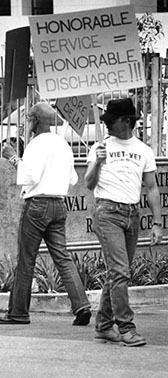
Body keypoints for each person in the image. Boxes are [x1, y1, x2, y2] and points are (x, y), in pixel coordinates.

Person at [0, 102, 91, 326]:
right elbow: (73, 179)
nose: (27, 121)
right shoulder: (63, 144)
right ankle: (82, 306)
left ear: (34, 120)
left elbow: (30, 176)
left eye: (29, 118)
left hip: (38, 205)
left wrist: (13, 157)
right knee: (62, 257)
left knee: (26, 259)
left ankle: (19, 312)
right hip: (58, 205)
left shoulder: (36, 144)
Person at [85, 98, 163, 347]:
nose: (107, 125)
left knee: (116, 273)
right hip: (107, 211)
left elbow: (151, 187)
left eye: (112, 121)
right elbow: (88, 183)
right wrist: (96, 161)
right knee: (120, 271)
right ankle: (126, 327)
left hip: (131, 214)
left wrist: (157, 222)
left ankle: (104, 326)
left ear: (127, 121)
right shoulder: (100, 147)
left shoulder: (144, 150)